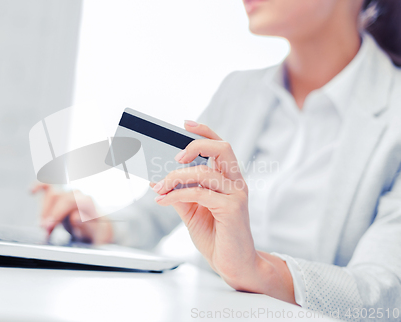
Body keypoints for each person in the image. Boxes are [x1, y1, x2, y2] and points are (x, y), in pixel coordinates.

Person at [33, 0, 401, 319]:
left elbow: (382, 295)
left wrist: (256, 269)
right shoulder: (240, 91)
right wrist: (99, 224)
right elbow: (162, 209)